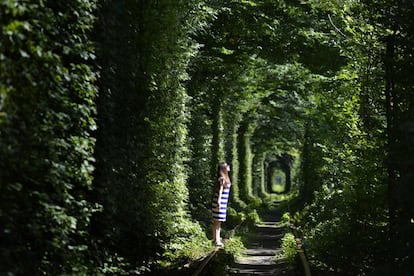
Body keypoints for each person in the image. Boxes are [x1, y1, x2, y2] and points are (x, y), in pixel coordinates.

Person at [212, 162, 231, 247]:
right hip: (219, 202)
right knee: (217, 222)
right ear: (223, 168)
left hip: (222, 203)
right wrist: (218, 202)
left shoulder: (225, 178)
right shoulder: (222, 179)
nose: (228, 167)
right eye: (227, 166)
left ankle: (217, 239)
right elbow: (220, 191)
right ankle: (216, 240)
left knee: (219, 222)